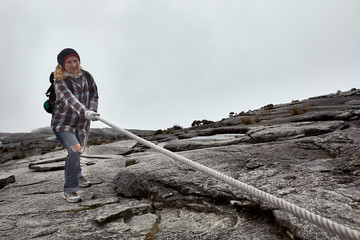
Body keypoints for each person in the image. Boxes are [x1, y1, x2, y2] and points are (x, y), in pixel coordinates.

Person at [51, 48, 99, 203]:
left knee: (78, 151)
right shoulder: (59, 81)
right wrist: (84, 111)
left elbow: (94, 94)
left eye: (75, 61)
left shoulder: (87, 76)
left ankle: (77, 175)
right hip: (63, 124)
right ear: (62, 65)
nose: (73, 65)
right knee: (75, 149)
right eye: (69, 62)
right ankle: (70, 190)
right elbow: (69, 99)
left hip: (82, 124)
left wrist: (92, 110)